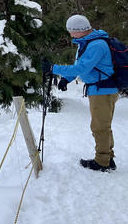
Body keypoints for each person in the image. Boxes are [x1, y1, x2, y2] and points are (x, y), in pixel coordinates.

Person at [50, 14, 119, 172]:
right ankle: (107, 158)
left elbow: (82, 68)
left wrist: (54, 69)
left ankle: (103, 162)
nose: (70, 35)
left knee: (99, 127)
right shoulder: (86, 43)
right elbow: (80, 66)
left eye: (71, 31)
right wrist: (66, 79)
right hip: (99, 89)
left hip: (103, 90)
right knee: (103, 126)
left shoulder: (96, 45)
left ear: (80, 30)